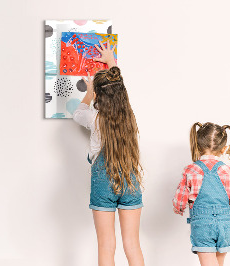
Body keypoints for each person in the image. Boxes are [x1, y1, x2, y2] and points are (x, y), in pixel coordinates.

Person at [73, 40, 145, 266]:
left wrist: (89, 93)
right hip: (130, 178)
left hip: (103, 182)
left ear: (99, 96)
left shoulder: (95, 118)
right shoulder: (128, 116)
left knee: (106, 245)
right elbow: (118, 87)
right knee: (132, 244)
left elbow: (78, 113)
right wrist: (111, 63)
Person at [173, 122, 230, 266]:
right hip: (225, 224)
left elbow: (180, 198)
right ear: (224, 149)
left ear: (197, 145)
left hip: (202, 224)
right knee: (219, 262)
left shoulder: (191, 170)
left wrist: (179, 208)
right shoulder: (229, 172)